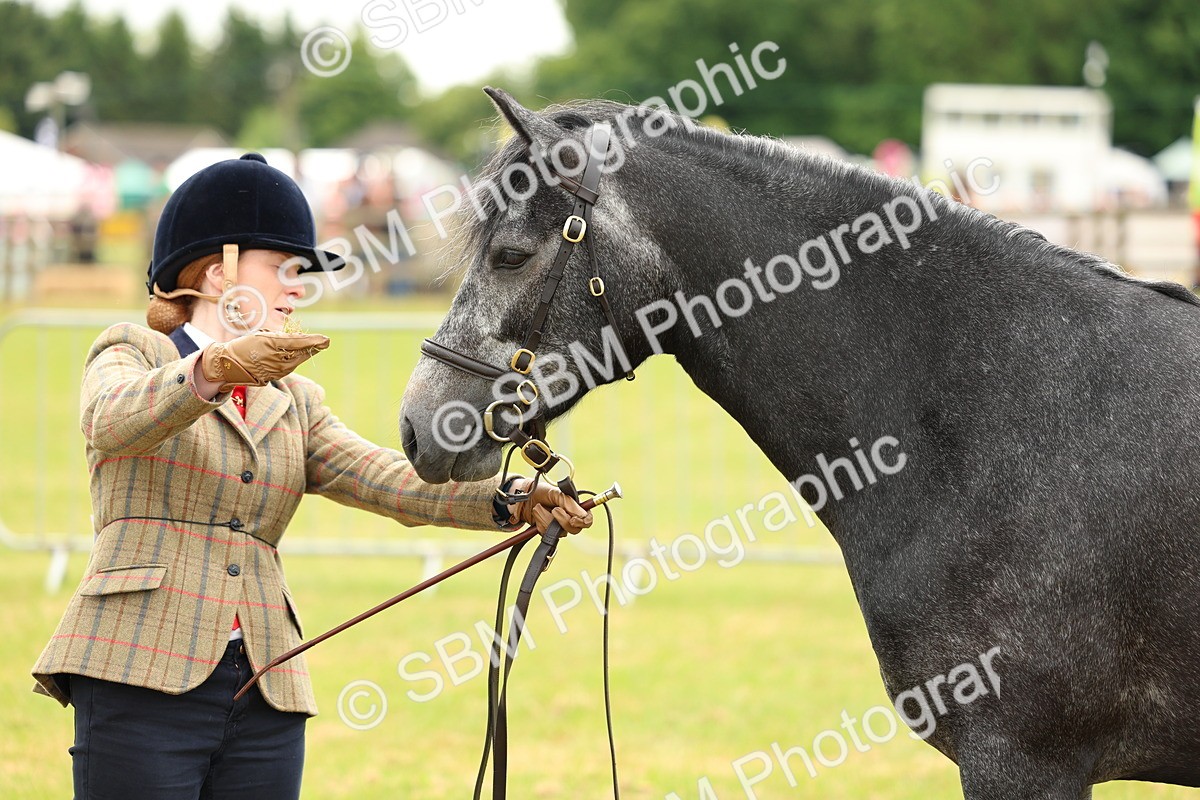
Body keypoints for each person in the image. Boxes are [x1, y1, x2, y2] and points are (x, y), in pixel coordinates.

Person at [30, 153, 591, 800]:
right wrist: (214, 369)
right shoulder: (132, 350)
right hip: (138, 668)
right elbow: (112, 421)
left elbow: (385, 478)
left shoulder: (292, 398)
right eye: (287, 270)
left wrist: (511, 498)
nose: (300, 288)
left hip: (266, 687)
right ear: (221, 272)